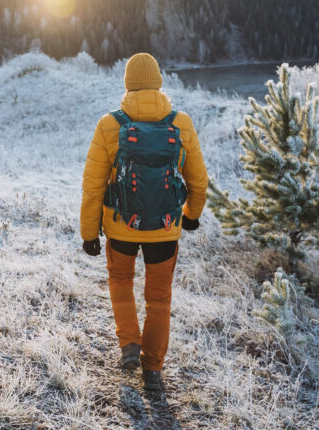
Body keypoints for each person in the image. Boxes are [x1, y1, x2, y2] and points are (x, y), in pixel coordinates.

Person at [80, 52, 208, 392]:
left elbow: (93, 187)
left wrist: (89, 233)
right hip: (165, 228)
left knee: (121, 281)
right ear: (158, 83)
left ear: (127, 85)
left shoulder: (110, 125)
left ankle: (129, 345)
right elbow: (199, 181)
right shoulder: (181, 123)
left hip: (121, 227)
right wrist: (192, 215)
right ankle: (152, 370)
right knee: (159, 298)